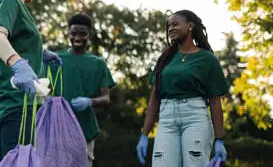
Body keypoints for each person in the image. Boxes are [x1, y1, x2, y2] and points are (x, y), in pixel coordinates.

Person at [0, 0, 61, 166]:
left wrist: (39, 53)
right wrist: (18, 64)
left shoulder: (8, 3)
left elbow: (15, 41)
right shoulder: (11, 1)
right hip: (19, 105)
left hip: (13, 105)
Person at [136, 10, 229, 166]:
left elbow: (215, 101)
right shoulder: (165, 59)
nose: (170, 29)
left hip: (195, 118)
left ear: (190, 26)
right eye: (168, 26)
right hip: (166, 120)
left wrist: (219, 139)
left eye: (175, 24)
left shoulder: (207, 59)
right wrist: (144, 134)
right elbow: (154, 98)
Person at [50, 13, 115, 167]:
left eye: (82, 34)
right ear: (68, 33)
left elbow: (106, 97)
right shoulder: (55, 60)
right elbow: (43, 89)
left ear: (89, 35)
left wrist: (89, 101)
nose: (78, 37)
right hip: (59, 128)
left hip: (84, 128)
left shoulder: (98, 64)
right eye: (73, 33)